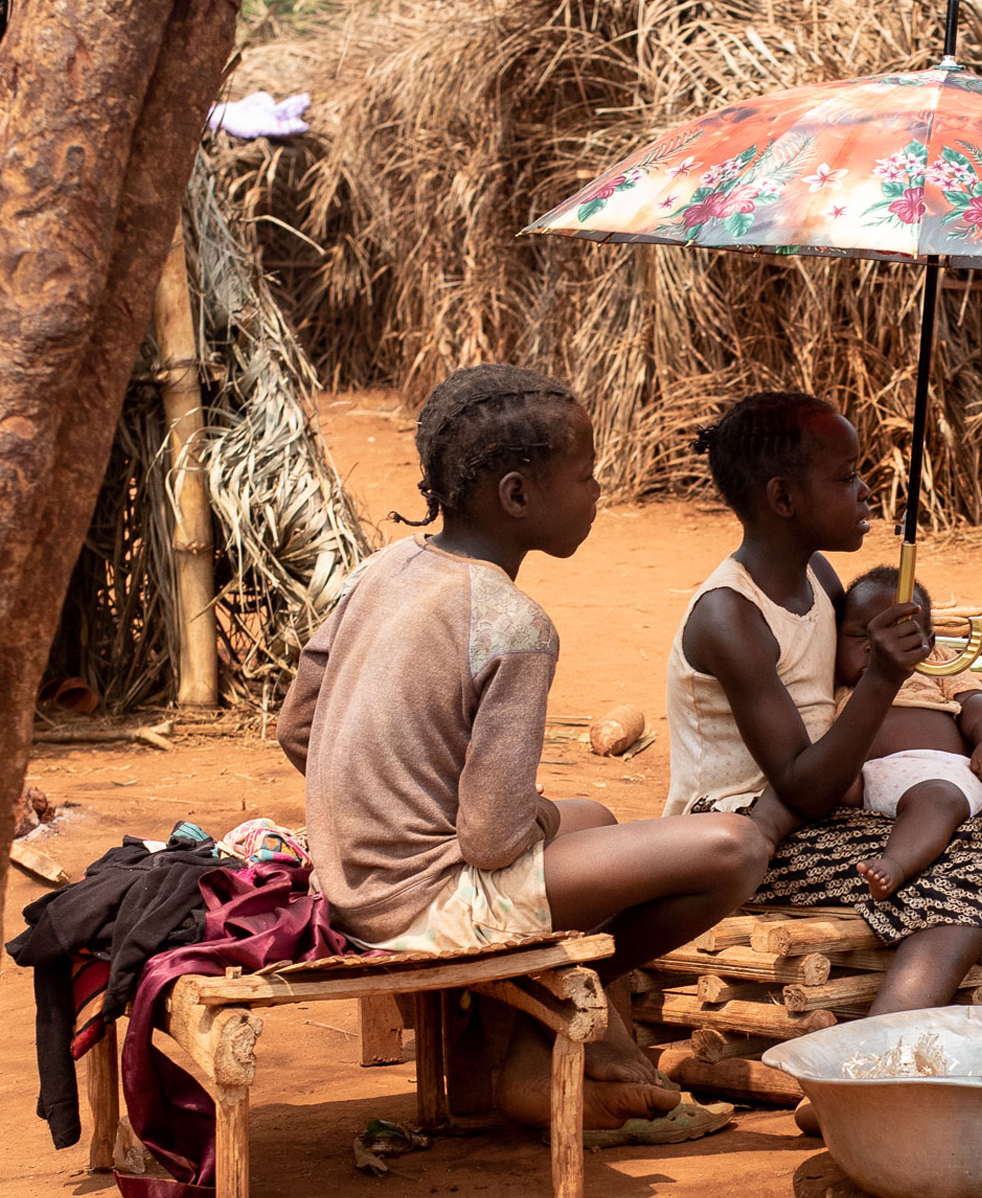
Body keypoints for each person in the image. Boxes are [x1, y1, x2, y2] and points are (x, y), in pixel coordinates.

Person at [280, 364, 776, 1123]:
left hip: (347, 878)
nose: (598, 491)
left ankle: (571, 1046)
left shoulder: (384, 568)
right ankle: (546, 1020)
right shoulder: (514, 624)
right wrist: (530, 817)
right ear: (516, 494)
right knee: (736, 848)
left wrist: (394, 799)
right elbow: (491, 838)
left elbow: (297, 727)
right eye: (585, 476)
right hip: (427, 905)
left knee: (600, 821)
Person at [664, 391, 982, 1011]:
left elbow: (857, 714)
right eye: (848, 477)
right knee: (976, 849)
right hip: (748, 834)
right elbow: (801, 787)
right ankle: (888, 1033)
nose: (866, 491)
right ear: (783, 498)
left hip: (837, 808)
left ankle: (914, 996)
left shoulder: (821, 580)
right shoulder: (730, 616)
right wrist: (884, 676)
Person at [828, 564, 982, 900]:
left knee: (934, 800)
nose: (879, 647)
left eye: (904, 636)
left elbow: (976, 704)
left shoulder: (939, 662)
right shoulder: (832, 679)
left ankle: (895, 865)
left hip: (940, 775)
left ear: (929, 642)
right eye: (860, 636)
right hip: (866, 780)